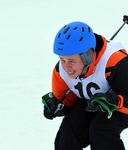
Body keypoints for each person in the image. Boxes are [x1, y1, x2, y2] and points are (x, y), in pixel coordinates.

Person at [42, 21, 128, 150]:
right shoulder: (61, 71)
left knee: (100, 129)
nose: (66, 67)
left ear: (88, 57)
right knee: (70, 127)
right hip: (93, 101)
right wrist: (57, 105)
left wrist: (115, 100)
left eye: (71, 61)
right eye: (62, 59)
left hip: (122, 104)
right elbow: (68, 100)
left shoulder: (116, 64)